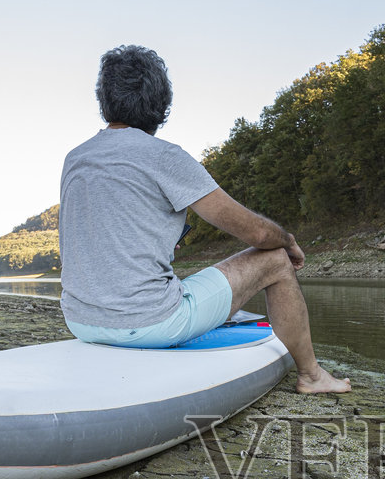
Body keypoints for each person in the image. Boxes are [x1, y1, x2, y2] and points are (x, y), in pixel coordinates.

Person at [59, 45, 351, 395]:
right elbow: (257, 232)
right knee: (274, 260)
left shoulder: (75, 158)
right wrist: (286, 240)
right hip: (148, 323)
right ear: (159, 102)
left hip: (80, 322)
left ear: (104, 99)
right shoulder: (164, 156)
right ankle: (312, 376)